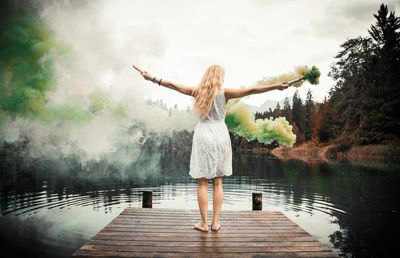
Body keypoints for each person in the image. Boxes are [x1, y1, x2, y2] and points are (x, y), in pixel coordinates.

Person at [136, 64, 290, 232]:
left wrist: (151, 78)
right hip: (220, 134)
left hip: (204, 133)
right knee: (218, 182)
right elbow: (252, 90)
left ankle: (204, 223)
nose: (224, 79)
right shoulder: (225, 93)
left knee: (203, 182)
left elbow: (172, 85)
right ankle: (215, 223)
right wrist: (276, 86)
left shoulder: (197, 92)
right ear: (219, 77)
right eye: (223, 76)